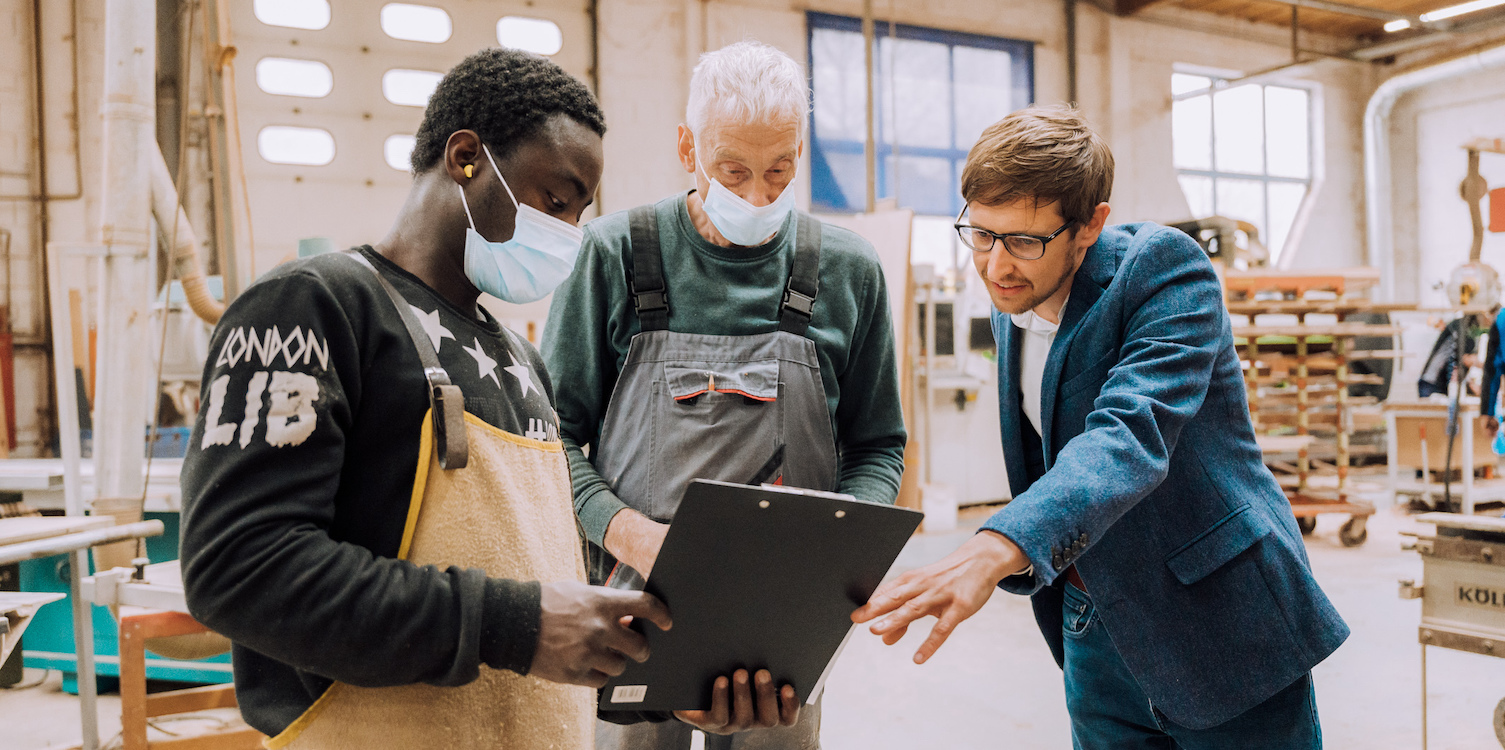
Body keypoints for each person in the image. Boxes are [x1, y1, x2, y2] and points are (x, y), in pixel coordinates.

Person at [179, 49, 673, 749]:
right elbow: (241, 566)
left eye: (578, 215)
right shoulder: (314, 308)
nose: (566, 234)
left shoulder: (521, 361)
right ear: (466, 156)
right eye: (555, 202)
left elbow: (545, 607)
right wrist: (516, 625)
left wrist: (669, 687)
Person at [852, 105, 1349, 749]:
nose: (996, 265)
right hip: (1095, 624)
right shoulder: (1016, 298)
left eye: (1025, 241)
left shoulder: (1165, 272)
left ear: (1091, 224)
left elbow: (1128, 436)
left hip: (1221, 621)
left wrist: (997, 544)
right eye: (981, 234)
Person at [544, 40, 907, 749]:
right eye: (731, 171)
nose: (756, 196)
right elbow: (550, 437)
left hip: (787, 613)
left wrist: (834, 554)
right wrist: (634, 537)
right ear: (687, 147)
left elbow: (877, 443)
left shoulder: (848, 270)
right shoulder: (615, 254)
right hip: (632, 604)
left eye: (779, 170)